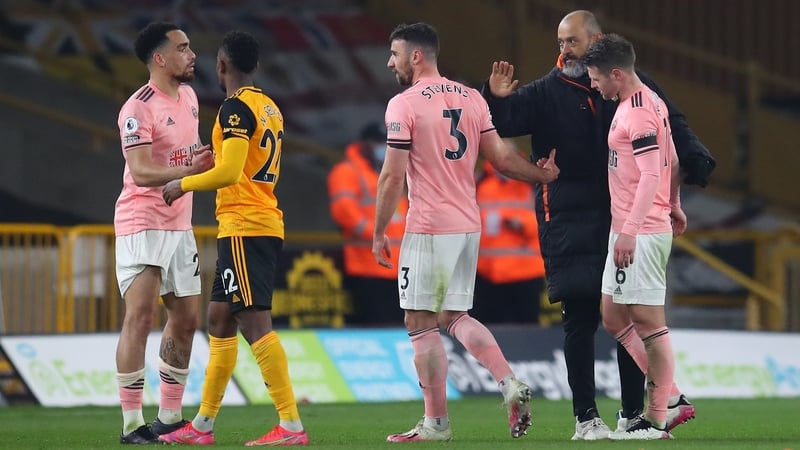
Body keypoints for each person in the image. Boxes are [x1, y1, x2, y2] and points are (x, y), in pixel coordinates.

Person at [482, 10, 708, 440]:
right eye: (560, 42)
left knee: (629, 316)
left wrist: (689, 173)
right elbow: (505, 123)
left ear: (598, 43)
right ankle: (587, 417)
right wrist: (495, 98)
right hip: (568, 217)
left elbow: (673, 137)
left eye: (572, 41)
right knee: (583, 317)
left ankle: (636, 413)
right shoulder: (548, 91)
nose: (563, 50)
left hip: (624, 219)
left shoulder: (630, 95)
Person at [373, 22, 560, 442]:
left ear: (416, 56)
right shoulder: (472, 98)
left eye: (395, 53)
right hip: (467, 225)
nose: (390, 61)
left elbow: (391, 176)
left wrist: (379, 230)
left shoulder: (403, 105)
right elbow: (503, 160)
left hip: (428, 226)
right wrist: (542, 176)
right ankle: (509, 380)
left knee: (419, 321)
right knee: (454, 316)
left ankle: (436, 424)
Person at [157, 30, 308, 446]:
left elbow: (230, 173)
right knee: (219, 320)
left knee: (255, 322)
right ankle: (203, 427)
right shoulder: (268, 106)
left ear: (221, 66)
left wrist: (183, 183)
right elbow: (237, 162)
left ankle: (291, 425)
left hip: (246, 225)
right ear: (255, 66)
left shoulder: (235, 109)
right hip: (248, 225)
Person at [114, 21, 214, 445]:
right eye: (183, 48)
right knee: (139, 318)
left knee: (187, 319)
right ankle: (132, 422)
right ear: (160, 58)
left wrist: (204, 163)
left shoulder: (190, 97)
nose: (192, 54)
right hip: (142, 222)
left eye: (190, 47)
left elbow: (185, 155)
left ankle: (169, 417)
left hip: (180, 226)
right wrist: (187, 171)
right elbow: (139, 171)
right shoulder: (138, 107)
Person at [583, 33, 685, 439]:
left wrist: (629, 230)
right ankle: (672, 395)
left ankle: (659, 416)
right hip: (629, 227)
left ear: (615, 74)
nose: (593, 86)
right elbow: (672, 159)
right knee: (612, 314)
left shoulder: (638, 113)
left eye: (595, 78)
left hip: (638, 231)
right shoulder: (648, 102)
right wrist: (675, 201)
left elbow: (648, 174)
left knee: (647, 321)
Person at [327, 123, 408, 325]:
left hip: (397, 267)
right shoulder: (347, 171)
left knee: (397, 325)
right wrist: (376, 235)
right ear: (364, 144)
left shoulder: (389, 171)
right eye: (378, 142)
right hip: (367, 266)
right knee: (374, 323)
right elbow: (344, 211)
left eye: (386, 143)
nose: (383, 147)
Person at [473, 145, 545, 325]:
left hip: (525, 273)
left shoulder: (530, 181)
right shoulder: (481, 183)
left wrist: (521, 224)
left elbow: (547, 220)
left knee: (527, 327)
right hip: (488, 275)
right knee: (492, 329)